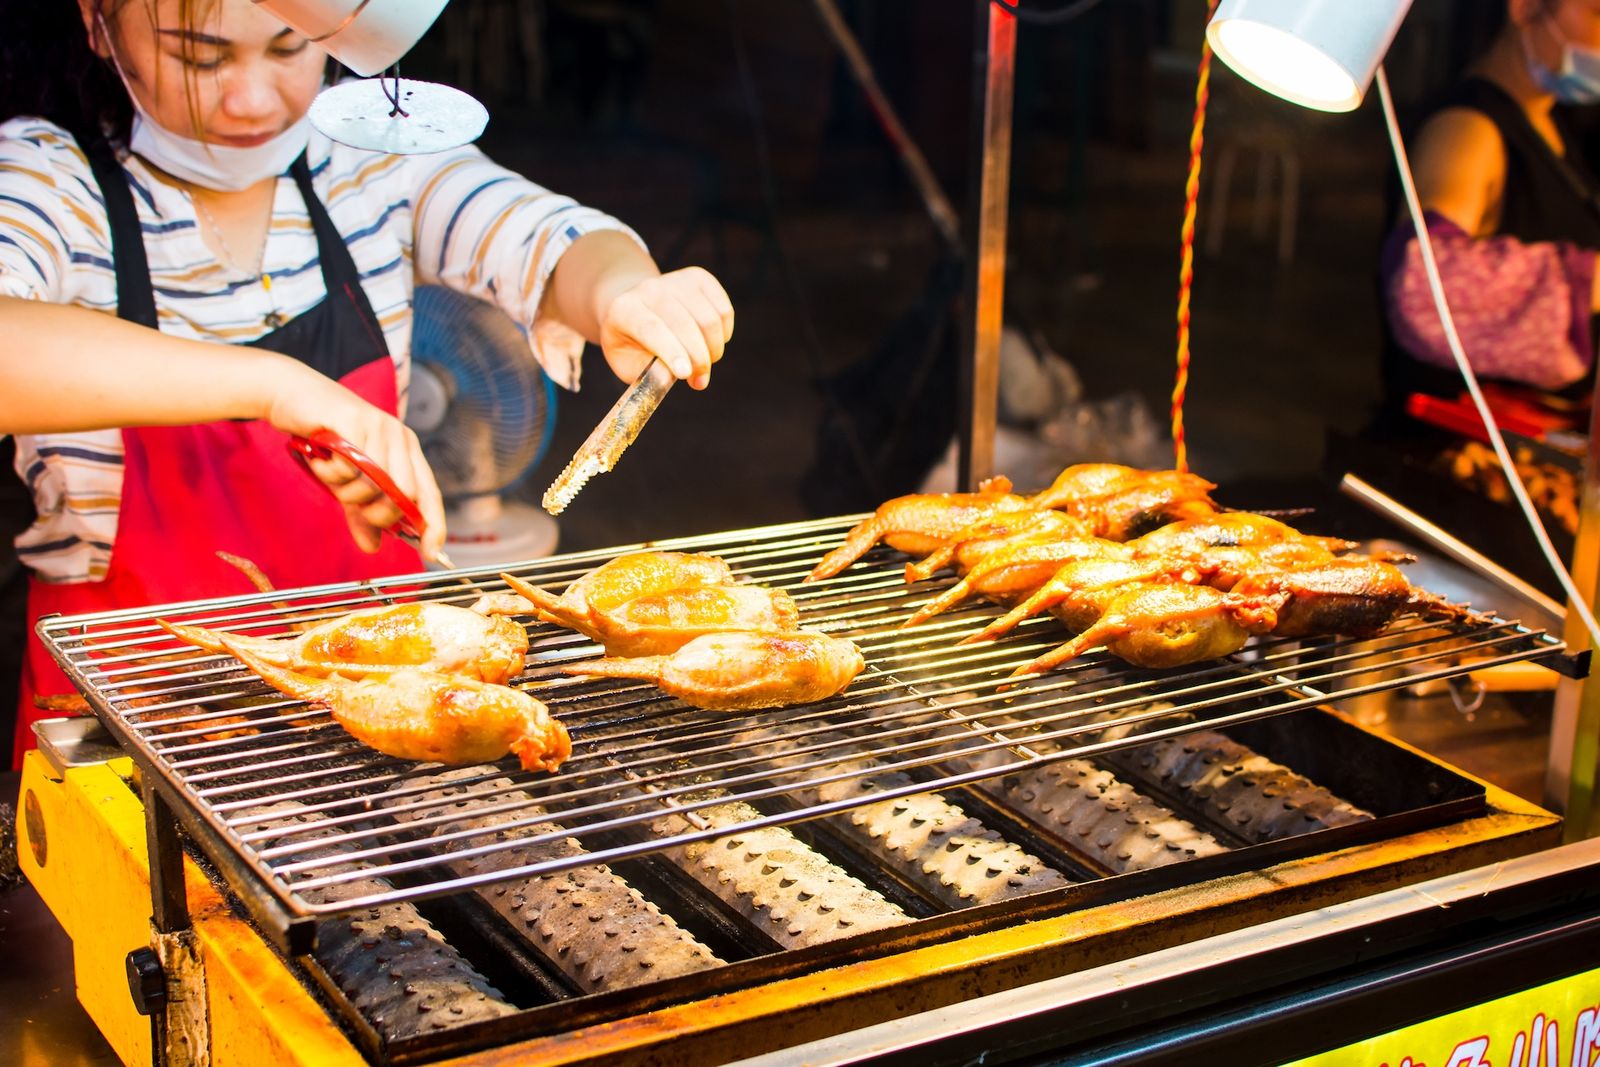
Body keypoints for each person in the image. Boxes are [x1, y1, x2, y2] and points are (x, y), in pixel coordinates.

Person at [0, 0, 735, 763]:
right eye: (199, 57)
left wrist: (623, 291)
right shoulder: (50, 181)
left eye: (291, 50)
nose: (252, 99)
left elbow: (540, 232)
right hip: (136, 716)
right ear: (97, 22)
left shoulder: (371, 159)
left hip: (386, 717)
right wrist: (281, 387)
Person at [1381, 0, 1600, 427]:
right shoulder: (1465, 129)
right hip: (1449, 452)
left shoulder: (1552, 128)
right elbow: (1426, 284)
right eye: (1598, 13)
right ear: (1525, 7)